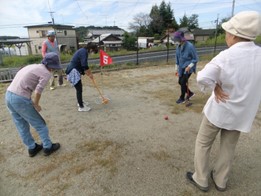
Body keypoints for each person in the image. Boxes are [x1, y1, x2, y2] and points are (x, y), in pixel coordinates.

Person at [186, 11, 261, 192]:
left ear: (234, 34)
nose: (226, 35)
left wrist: (214, 87)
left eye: (227, 32)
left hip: (219, 109)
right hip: (241, 113)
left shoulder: (226, 56)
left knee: (203, 143)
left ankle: (201, 179)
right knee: (229, 146)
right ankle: (221, 180)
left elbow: (202, 78)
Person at [5, 52, 61, 157]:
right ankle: (48, 147)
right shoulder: (46, 73)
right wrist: (36, 104)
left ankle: (32, 148)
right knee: (40, 124)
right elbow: (38, 91)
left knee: (21, 125)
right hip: (20, 98)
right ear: (52, 66)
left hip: (8, 95)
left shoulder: (32, 66)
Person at [65, 43, 97, 112]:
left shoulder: (83, 50)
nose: (92, 53)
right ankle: (81, 107)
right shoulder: (84, 52)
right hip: (73, 71)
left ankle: (81, 102)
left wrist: (88, 73)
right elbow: (84, 65)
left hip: (74, 70)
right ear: (91, 49)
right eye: (93, 51)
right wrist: (90, 74)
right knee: (79, 89)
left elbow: (83, 66)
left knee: (79, 88)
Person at [173, 31, 198, 104]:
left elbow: (195, 59)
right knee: (180, 82)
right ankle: (190, 93)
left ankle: (182, 98)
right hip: (181, 67)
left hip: (188, 68)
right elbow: (177, 58)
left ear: (181, 39)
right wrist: (176, 68)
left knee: (183, 82)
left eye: (177, 39)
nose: (176, 41)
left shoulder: (190, 46)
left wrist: (189, 66)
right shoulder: (178, 47)